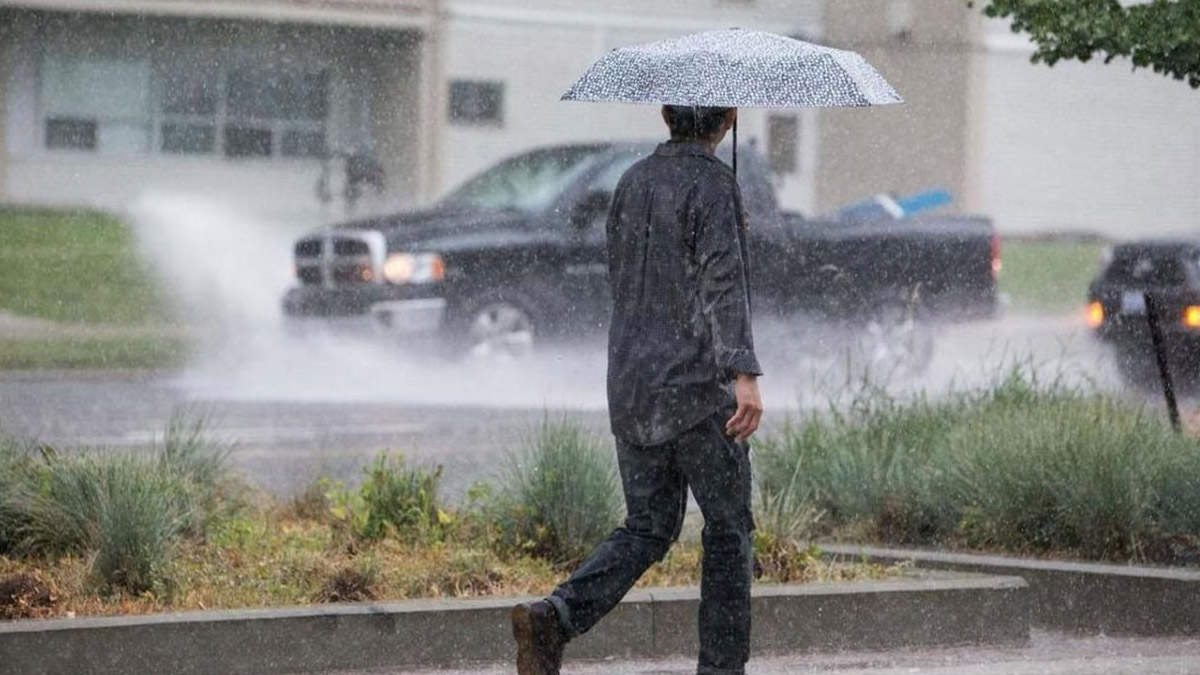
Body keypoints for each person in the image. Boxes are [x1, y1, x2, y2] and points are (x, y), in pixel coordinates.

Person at [511, 104, 763, 675]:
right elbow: (722, 282)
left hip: (631, 383)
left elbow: (633, 275)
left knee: (648, 526)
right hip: (699, 390)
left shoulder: (630, 180)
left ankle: (556, 616)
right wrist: (742, 372)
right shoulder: (715, 185)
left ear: (665, 113)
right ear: (728, 117)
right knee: (727, 532)